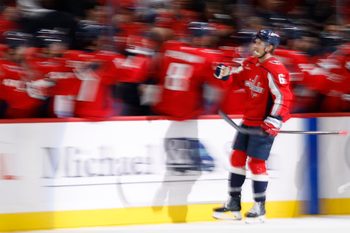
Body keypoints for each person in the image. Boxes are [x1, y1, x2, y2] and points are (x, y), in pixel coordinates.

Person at [212, 29, 293, 223]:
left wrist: (275, 120)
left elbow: (284, 97)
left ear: (270, 47)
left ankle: (259, 207)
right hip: (248, 120)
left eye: (259, 43)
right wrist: (224, 75)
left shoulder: (275, 68)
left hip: (264, 124)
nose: (254, 46)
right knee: (237, 158)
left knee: (256, 163)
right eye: (254, 42)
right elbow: (236, 80)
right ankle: (233, 202)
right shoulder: (249, 63)